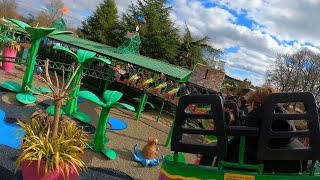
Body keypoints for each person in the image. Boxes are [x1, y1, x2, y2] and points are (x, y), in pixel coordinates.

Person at [199, 86, 306, 172]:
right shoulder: (287, 123)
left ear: (255, 104)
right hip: (276, 167)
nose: (248, 108)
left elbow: (232, 147)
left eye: (249, 105)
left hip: (244, 165)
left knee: (211, 151)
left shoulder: (256, 118)